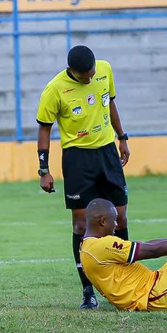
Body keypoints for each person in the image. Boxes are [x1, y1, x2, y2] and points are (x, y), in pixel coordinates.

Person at [36, 44, 131, 310]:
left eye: (91, 74)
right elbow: (44, 129)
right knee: (81, 224)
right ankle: (88, 291)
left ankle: (124, 280)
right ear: (71, 71)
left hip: (107, 154)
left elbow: (110, 103)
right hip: (77, 159)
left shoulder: (105, 69)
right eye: (83, 77)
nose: (89, 79)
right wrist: (44, 170)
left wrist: (122, 138)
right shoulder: (54, 89)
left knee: (120, 216)